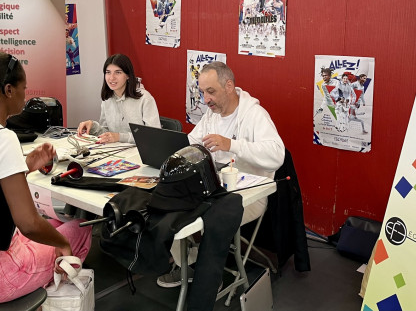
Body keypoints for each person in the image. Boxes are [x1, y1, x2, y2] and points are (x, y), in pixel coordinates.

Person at [157, 61, 285, 288]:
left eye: (211, 92)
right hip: (214, 189)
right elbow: (192, 143)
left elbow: (277, 155)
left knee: (209, 217)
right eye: (203, 92)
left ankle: (208, 276)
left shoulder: (254, 114)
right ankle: (188, 263)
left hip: (249, 196)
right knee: (166, 204)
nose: (206, 99)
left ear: (229, 86)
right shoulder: (212, 115)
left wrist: (232, 145)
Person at [0, 52, 92, 303]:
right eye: (23, 88)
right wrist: (62, 243)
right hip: (4, 273)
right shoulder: (4, 138)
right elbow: (28, 222)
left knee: (53, 224)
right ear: (9, 90)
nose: (25, 94)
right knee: (79, 229)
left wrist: (25, 165)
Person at [77, 54, 160, 144]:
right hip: (116, 151)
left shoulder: (145, 99)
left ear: (128, 75)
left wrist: (120, 137)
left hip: (140, 153)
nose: (112, 77)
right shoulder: (107, 99)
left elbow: (153, 136)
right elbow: (106, 132)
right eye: (108, 72)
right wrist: (92, 126)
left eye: (118, 72)